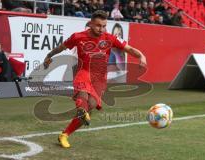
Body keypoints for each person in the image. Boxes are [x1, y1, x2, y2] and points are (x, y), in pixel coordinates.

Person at [43, 10, 147, 148]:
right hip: (83, 71)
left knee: (89, 107)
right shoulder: (78, 37)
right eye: (98, 25)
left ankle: (64, 134)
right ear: (91, 24)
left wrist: (141, 56)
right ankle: (81, 111)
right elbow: (61, 48)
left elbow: (130, 49)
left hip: (99, 78)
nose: (101, 29)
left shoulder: (110, 38)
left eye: (104, 26)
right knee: (82, 100)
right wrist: (49, 55)